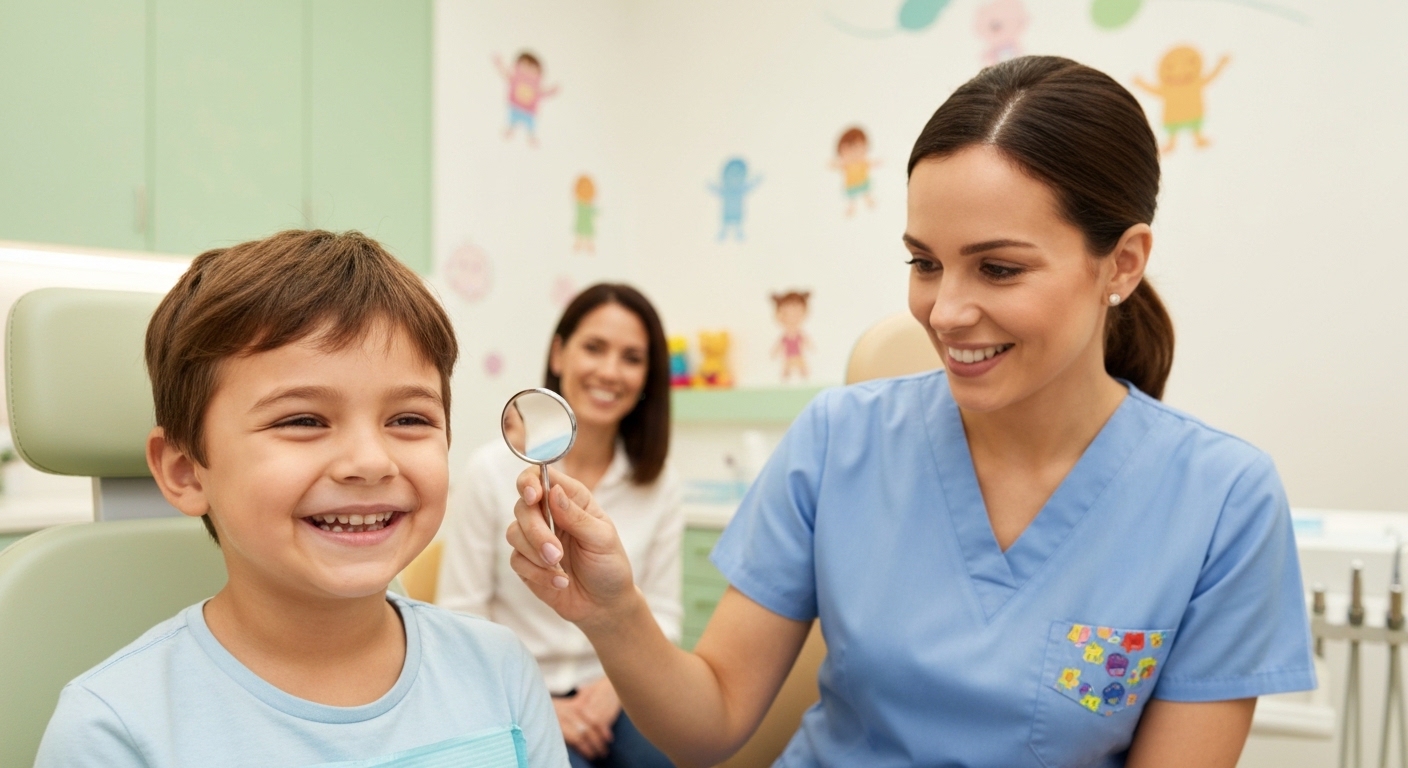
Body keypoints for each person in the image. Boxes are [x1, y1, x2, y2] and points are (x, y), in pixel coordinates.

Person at [502, 57, 1316, 768]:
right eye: (924, 263)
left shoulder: (1222, 503)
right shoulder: (839, 440)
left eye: (998, 269)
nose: (946, 311)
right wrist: (614, 613)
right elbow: (708, 725)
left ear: (1123, 263)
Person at [35, 230, 566, 767]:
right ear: (186, 472)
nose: (370, 462)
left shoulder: (500, 673)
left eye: (409, 419)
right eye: (303, 420)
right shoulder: (112, 731)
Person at [438, 283, 681, 768]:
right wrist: (543, 707)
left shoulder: (660, 484)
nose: (610, 371)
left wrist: (613, 690)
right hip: (517, 695)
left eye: (632, 358)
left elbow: (666, 617)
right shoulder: (490, 471)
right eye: (594, 348)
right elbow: (460, 616)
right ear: (558, 353)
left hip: (621, 691)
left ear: (648, 376)